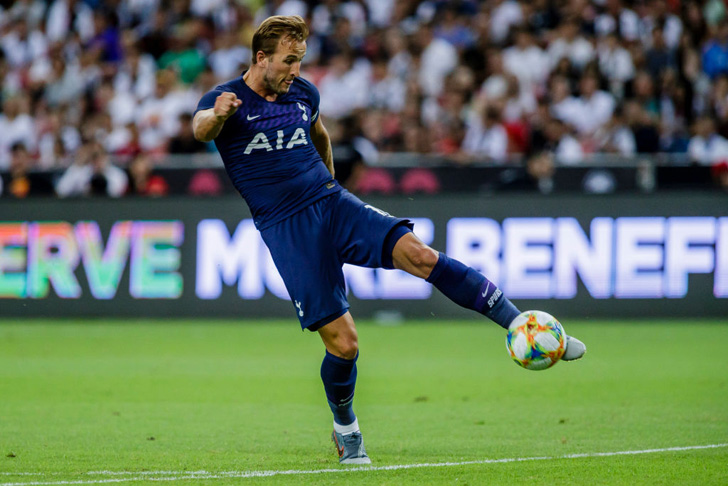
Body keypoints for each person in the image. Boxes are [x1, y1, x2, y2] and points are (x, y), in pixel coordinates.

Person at [193, 15, 586, 465]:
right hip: (287, 227)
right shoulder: (225, 100)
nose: (295, 71)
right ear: (261, 58)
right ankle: (347, 429)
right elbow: (201, 127)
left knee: (419, 255)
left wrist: (332, 190)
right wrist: (217, 115)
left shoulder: (303, 94)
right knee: (345, 345)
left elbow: (318, 135)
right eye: (288, 61)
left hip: (331, 203)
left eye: (300, 61)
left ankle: (522, 326)